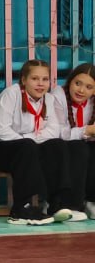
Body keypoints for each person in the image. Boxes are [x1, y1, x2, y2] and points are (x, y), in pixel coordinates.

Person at [0, 60, 68, 225]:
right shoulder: (11, 95)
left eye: (45, 79)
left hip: (27, 150)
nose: (40, 84)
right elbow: (2, 130)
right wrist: (30, 142)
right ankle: (21, 209)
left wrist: (30, 142)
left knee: (57, 145)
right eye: (35, 79)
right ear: (24, 80)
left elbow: (53, 131)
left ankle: (54, 204)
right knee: (27, 147)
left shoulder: (48, 99)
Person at [54, 63, 95, 221]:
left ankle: (91, 201)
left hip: (83, 144)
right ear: (70, 81)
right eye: (78, 83)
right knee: (79, 148)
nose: (81, 90)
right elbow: (59, 133)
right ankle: (71, 205)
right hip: (59, 146)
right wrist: (88, 130)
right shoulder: (58, 95)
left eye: (89, 87)